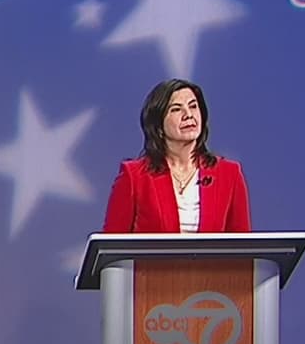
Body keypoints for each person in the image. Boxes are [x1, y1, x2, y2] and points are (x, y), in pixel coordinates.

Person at [102, 79, 250, 233]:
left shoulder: (229, 174)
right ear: (159, 127)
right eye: (176, 109)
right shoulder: (134, 177)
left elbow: (242, 244)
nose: (188, 115)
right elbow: (111, 243)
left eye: (193, 106)